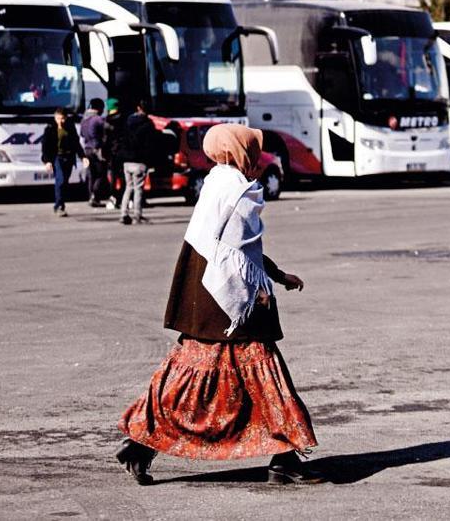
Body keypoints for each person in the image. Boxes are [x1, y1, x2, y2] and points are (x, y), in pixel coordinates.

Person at [116, 123, 322, 486]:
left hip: (202, 295)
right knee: (265, 377)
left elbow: (234, 247)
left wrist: (274, 273)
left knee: (192, 377)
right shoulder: (241, 191)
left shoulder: (215, 182)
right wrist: (259, 287)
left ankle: (141, 443)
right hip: (230, 301)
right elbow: (237, 255)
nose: (257, 161)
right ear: (239, 153)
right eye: (253, 153)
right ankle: (284, 459)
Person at [41, 107, 88, 217]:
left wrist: (83, 157)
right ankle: (59, 206)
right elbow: (45, 146)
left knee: (64, 182)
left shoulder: (70, 126)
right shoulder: (50, 128)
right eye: (58, 118)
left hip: (69, 157)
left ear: (66, 118)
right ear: (55, 117)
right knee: (60, 180)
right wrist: (47, 161)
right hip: (57, 157)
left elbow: (76, 143)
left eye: (62, 119)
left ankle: (61, 203)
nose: (60, 121)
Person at [117, 100, 157, 225]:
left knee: (128, 187)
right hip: (140, 161)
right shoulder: (149, 124)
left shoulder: (128, 122)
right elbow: (150, 145)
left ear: (138, 108)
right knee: (138, 189)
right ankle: (137, 215)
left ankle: (123, 213)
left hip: (126, 160)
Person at [80, 98, 111, 207]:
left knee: (91, 174)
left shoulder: (84, 120)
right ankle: (95, 195)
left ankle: (91, 196)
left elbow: (82, 134)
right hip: (97, 150)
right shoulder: (98, 119)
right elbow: (109, 128)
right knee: (101, 174)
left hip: (86, 149)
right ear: (99, 108)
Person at [105, 98, 125, 209]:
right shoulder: (123, 119)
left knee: (113, 176)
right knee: (123, 177)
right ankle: (123, 197)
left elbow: (105, 140)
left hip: (111, 153)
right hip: (122, 151)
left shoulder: (107, 121)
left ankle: (113, 197)